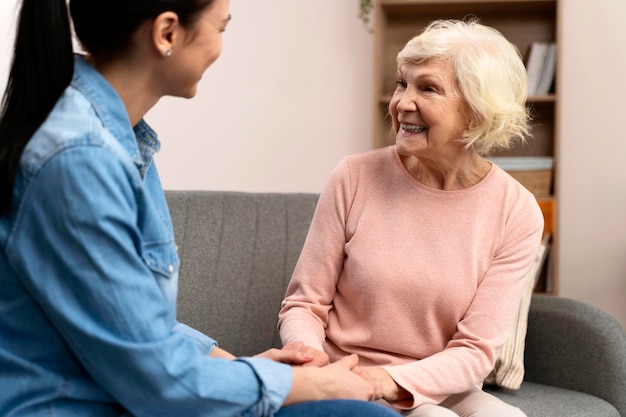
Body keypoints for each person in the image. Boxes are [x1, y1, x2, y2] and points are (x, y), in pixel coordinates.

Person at [0, 1, 401, 416]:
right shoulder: (79, 160)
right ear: (167, 33)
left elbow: (133, 322)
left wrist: (238, 367)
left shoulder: (120, 139)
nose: (219, 47)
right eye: (221, 29)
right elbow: (156, 380)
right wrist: (306, 383)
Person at [278, 19, 544, 417]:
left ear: (476, 111)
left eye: (428, 88)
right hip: (344, 375)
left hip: (442, 384)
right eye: (403, 83)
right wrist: (312, 365)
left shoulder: (516, 210)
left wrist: (390, 381)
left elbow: (476, 350)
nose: (402, 102)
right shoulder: (355, 176)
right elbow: (304, 304)